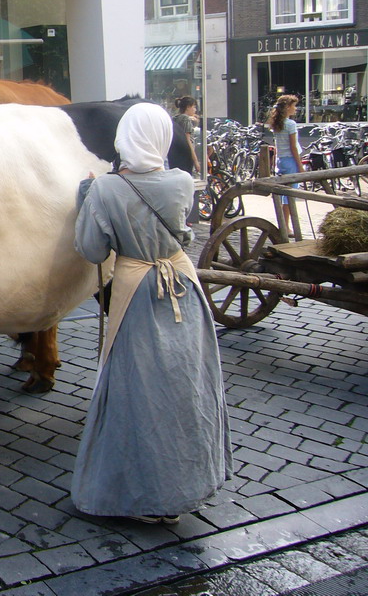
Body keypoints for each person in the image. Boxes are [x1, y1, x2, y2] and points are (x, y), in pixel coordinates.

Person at [71, 103, 232, 524]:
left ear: (124, 137)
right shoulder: (181, 181)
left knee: (137, 394)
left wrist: (86, 198)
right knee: (185, 388)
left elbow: (91, 250)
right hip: (185, 286)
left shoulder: (106, 189)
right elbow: (185, 232)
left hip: (136, 294)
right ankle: (187, 487)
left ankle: (142, 498)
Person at [268, 94, 302, 236]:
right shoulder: (290, 124)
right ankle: (287, 227)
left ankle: (283, 223)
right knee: (289, 195)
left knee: (283, 195)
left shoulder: (277, 123)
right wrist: (300, 166)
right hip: (290, 161)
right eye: (294, 106)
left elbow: (277, 146)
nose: (295, 108)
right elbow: (293, 147)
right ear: (288, 107)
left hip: (281, 160)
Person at [173, 95, 201, 175]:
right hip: (186, 156)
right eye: (194, 107)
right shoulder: (185, 119)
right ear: (188, 107)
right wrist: (195, 160)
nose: (195, 110)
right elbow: (187, 140)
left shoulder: (176, 118)